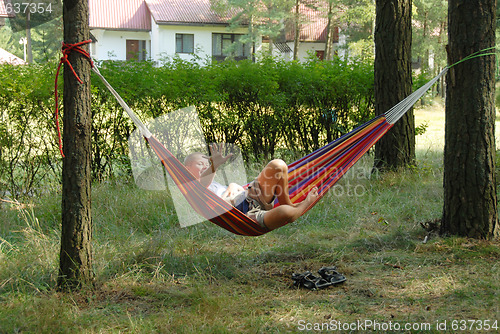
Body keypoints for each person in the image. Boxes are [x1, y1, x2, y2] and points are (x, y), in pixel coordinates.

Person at [184, 143, 318, 231]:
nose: (205, 166)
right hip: (244, 215)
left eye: (207, 164)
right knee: (285, 212)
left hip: (250, 195)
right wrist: (214, 166)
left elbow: (236, 187)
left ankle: (291, 205)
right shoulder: (191, 189)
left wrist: (230, 189)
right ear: (187, 168)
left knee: (278, 165)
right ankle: (303, 204)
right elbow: (202, 187)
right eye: (200, 164)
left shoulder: (213, 183)